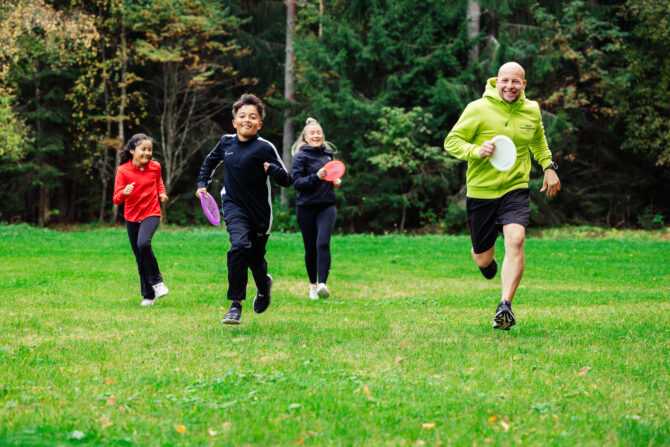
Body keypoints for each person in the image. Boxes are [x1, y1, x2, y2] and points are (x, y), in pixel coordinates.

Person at [444, 62, 561, 330]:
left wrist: (549, 167)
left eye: (516, 82)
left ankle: (504, 306)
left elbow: (538, 142)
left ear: (524, 84)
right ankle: (485, 259)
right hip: (481, 191)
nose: (510, 86)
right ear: (497, 81)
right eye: (505, 80)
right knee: (483, 258)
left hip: (515, 188)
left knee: (517, 239)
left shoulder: (531, 110)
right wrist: (476, 150)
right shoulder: (478, 108)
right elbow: (451, 141)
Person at [196, 93, 291, 325]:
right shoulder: (226, 142)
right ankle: (235, 305)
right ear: (234, 121)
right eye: (242, 116)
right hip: (233, 205)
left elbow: (287, 180)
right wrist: (202, 185)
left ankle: (263, 286)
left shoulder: (265, 147)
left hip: (259, 212)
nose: (247, 120)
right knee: (239, 246)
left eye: (252, 117)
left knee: (256, 260)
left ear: (259, 123)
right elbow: (209, 161)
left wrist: (272, 170)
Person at [113, 133, 170, 307]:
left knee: (143, 243)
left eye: (149, 150)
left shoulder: (155, 167)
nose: (147, 153)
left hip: (151, 212)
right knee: (140, 257)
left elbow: (158, 180)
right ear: (132, 151)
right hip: (131, 216)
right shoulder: (123, 171)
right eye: (143, 149)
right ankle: (148, 295)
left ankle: (158, 282)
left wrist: (162, 193)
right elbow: (116, 199)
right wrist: (125, 192)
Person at [290, 118, 341, 300]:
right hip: (306, 208)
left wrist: (335, 182)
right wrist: (316, 177)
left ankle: (322, 284)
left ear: (322, 136)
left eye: (318, 132)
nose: (316, 135)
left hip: (327, 205)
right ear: (305, 137)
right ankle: (313, 285)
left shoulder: (328, 155)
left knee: (323, 243)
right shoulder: (300, 157)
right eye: (312, 133)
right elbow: (296, 183)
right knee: (310, 248)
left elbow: (331, 176)